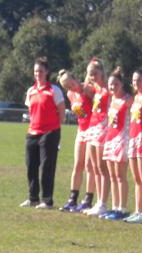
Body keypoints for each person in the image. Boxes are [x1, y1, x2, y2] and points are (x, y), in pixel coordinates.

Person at [21, 57, 66, 209]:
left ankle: (47, 200)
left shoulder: (54, 90)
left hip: (50, 132)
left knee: (47, 166)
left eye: (40, 71)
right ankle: (33, 198)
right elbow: (31, 110)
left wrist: (54, 129)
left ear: (47, 72)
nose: (38, 74)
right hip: (32, 132)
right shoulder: (31, 91)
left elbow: (61, 112)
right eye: (35, 71)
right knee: (30, 165)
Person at [57, 70, 95, 212]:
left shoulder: (88, 89)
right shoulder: (70, 95)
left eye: (72, 83)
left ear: (75, 78)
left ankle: (88, 199)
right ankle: (72, 199)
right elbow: (80, 113)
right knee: (78, 164)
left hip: (93, 129)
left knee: (89, 165)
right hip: (82, 129)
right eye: (67, 86)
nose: (71, 87)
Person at [101, 67, 132, 220]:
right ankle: (114, 206)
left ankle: (122, 208)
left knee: (121, 176)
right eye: (110, 85)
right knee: (112, 175)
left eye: (115, 84)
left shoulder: (128, 100)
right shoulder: (112, 99)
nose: (112, 87)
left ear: (122, 84)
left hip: (122, 139)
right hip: (110, 138)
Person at [124, 68, 142, 224]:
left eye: (139, 80)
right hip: (133, 138)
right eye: (134, 80)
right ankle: (138, 209)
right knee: (136, 178)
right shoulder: (135, 98)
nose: (136, 83)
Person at [83, 58, 111, 217]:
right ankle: (98, 202)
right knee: (94, 167)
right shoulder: (96, 91)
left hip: (102, 128)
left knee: (102, 167)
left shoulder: (107, 90)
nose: (92, 77)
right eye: (90, 74)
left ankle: (103, 202)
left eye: (95, 74)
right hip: (92, 127)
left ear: (102, 73)